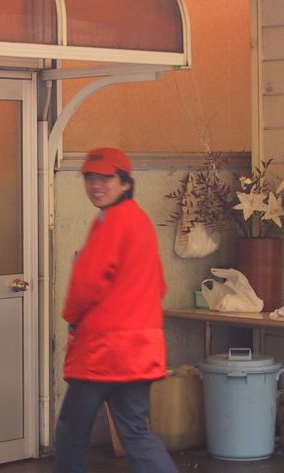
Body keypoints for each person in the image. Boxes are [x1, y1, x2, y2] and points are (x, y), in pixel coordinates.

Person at [54, 147, 177, 473]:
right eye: (90, 178)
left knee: (72, 430)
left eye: (105, 178)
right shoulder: (140, 220)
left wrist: (71, 319)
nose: (96, 185)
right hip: (141, 350)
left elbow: (87, 281)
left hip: (102, 350)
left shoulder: (111, 221)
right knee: (136, 431)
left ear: (124, 183)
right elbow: (160, 285)